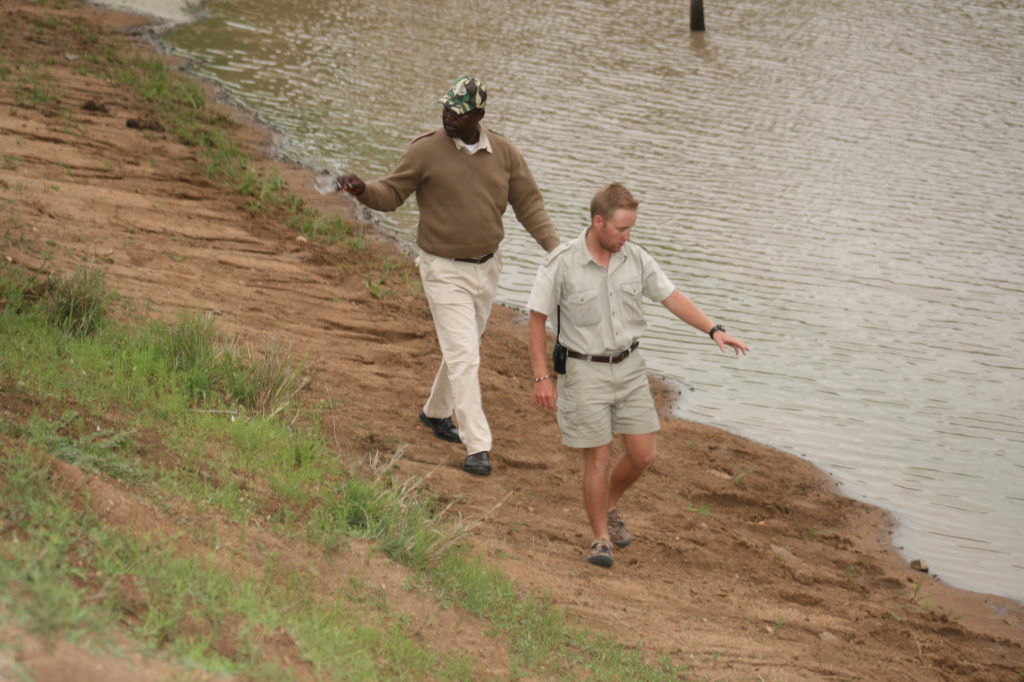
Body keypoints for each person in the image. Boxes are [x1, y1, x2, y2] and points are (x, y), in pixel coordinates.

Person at [337, 76, 560, 476]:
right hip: (442, 270)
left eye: (457, 112)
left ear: (478, 115)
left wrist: (558, 253)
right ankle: (478, 445)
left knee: (463, 349)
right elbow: (391, 193)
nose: (447, 117)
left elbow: (530, 205)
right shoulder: (425, 150)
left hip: (488, 267)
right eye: (445, 108)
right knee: (465, 355)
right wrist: (362, 189)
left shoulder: (504, 152)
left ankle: (435, 413)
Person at [526, 183, 749, 567]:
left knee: (642, 455)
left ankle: (609, 505)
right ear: (598, 222)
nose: (628, 237)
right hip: (583, 370)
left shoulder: (636, 258)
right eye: (621, 229)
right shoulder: (561, 263)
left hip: (629, 368)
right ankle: (600, 539)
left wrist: (714, 329)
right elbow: (536, 319)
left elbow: (671, 296)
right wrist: (542, 377)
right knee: (597, 458)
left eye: (631, 229)